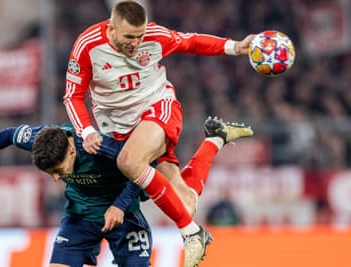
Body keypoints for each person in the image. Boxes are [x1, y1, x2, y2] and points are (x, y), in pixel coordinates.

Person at [63, 1, 255, 266]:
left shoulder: (154, 36)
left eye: (140, 36)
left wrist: (237, 47)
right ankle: (216, 138)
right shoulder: (87, 46)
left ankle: (192, 233)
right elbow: (72, 96)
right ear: (111, 28)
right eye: (129, 37)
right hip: (119, 130)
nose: (136, 42)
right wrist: (85, 131)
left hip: (158, 109)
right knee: (185, 205)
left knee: (129, 161)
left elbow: (191, 42)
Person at [0, 116, 253, 267]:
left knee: (185, 203)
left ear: (71, 151)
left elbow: (142, 164)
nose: (56, 180)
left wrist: (119, 206)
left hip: (126, 216)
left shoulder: (100, 147)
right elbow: (9, 134)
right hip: (80, 219)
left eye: (58, 171)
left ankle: (214, 139)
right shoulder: (44, 139)